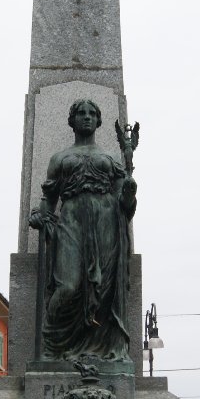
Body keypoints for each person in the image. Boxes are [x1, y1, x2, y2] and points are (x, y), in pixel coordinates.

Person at [29, 98, 137, 361]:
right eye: (81, 113)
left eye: (91, 113)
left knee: (102, 290)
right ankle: (53, 347)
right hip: (71, 221)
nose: (86, 117)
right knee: (67, 286)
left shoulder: (111, 158)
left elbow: (126, 206)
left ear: (98, 121)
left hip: (106, 223)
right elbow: (49, 200)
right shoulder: (60, 159)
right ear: (72, 120)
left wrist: (130, 193)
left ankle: (98, 350)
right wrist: (39, 217)